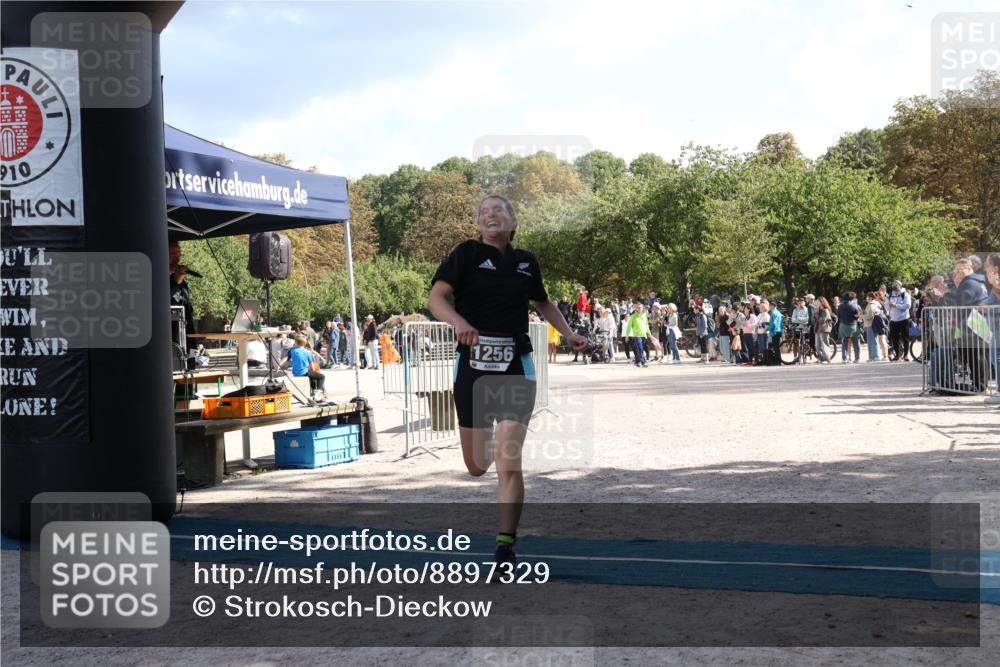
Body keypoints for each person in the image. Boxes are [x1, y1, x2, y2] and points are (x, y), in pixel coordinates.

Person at [428, 194, 586, 570]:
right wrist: (460, 323)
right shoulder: (464, 254)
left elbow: (543, 303)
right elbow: (436, 298)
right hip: (473, 368)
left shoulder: (526, 262)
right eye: (483, 211)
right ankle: (503, 539)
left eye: (498, 209)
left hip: (516, 363)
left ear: (512, 222)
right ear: (479, 226)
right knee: (477, 465)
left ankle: (504, 548)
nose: (490, 214)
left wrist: (567, 333)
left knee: (508, 462)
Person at [168, 241, 197, 334]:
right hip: (168, 336)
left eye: (179, 253)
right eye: (172, 253)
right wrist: (176, 281)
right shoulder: (156, 276)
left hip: (185, 333)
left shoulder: (181, 280)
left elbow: (187, 307)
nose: (177, 257)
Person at [286, 336, 326, 400]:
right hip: (303, 372)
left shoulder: (292, 350)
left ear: (295, 342)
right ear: (304, 343)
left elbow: (287, 358)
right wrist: (314, 371)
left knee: (312, 377)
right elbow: (311, 364)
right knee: (321, 377)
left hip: (295, 372)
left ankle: (313, 393)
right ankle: (318, 393)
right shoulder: (307, 352)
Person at [887, 281, 912, 361]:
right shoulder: (891, 294)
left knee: (905, 338)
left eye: (895, 284)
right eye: (893, 284)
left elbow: (908, 305)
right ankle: (897, 355)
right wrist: (887, 306)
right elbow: (887, 305)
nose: (893, 285)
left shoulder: (905, 294)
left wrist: (896, 305)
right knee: (894, 339)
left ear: (900, 285)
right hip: (893, 320)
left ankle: (905, 356)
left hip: (903, 319)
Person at [837, 291, 862, 363]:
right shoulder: (854, 306)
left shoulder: (840, 306)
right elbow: (857, 317)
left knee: (844, 342)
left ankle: (844, 358)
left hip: (843, 326)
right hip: (853, 326)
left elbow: (838, 316)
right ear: (851, 299)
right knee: (856, 342)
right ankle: (857, 358)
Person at [625, 303, 651, 367]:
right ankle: (643, 362)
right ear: (636, 308)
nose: (639, 308)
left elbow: (646, 325)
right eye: (638, 307)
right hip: (637, 335)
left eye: (640, 307)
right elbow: (629, 327)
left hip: (644, 335)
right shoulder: (633, 316)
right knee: (640, 349)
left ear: (643, 308)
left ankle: (637, 361)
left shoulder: (644, 316)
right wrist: (627, 336)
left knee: (639, 349)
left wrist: (649, 333)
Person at [862, 292, 885, 362]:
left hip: (871, 324)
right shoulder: (873, 304)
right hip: (871, 324)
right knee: (871, 341)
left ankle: (875, 356)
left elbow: (870, 316)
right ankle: (872, 356)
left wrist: (861, 316)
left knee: (873, 341)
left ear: (871, 298)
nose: (866, 298)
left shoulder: (872, 305)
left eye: (867, 297)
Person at [813, 296, 833, 364]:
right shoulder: (817, 310)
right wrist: (815, 313)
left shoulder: (825, 310)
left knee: (824, 344)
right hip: (817, 329)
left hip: (824, 329)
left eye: (818, 301)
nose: (816, 303)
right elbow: (813, 320)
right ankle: (821, 359)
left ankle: (827, 359)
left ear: (822, 302)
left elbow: (822, 320)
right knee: (817, 345)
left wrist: (817, 314)